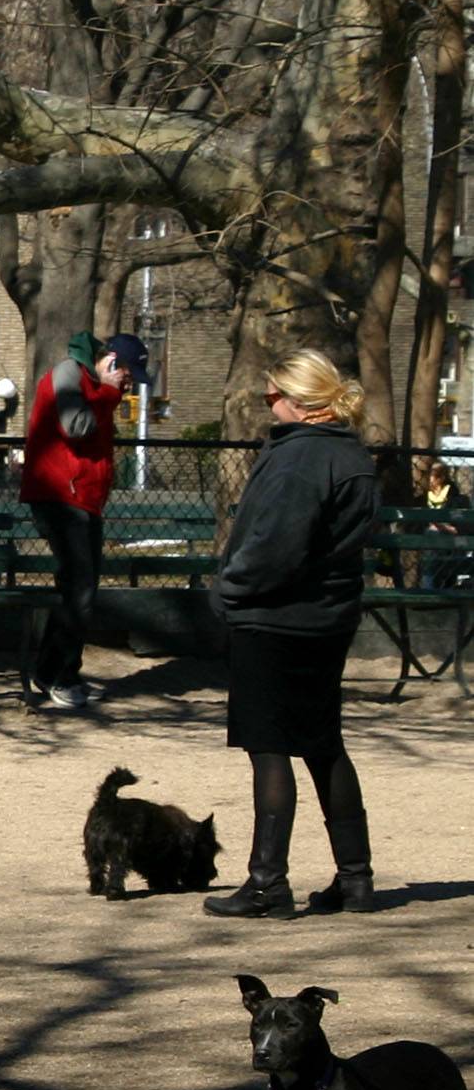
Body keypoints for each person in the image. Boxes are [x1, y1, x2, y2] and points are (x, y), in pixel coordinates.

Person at [204, 350, 382, 918]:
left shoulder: (300, 459)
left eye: (273, 396)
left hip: (275, 617)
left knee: (270, 746)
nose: (267, 406)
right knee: (323, 744)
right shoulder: (349, 455)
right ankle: (356, 880)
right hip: (329, 616)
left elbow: (276, 546)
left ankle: (266, 884)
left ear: (302, 403)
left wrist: (231, 589)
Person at [18, 330, 144, 709]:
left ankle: (63, 672)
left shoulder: (89, 382)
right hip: (60, 497)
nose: (129, 382)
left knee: (81, 588)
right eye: (127, 373)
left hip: (81, 500)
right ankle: (53, 674)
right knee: (79, 589)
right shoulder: (70, 375)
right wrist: (107, 392)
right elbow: (77, 426)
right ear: (110, 362)